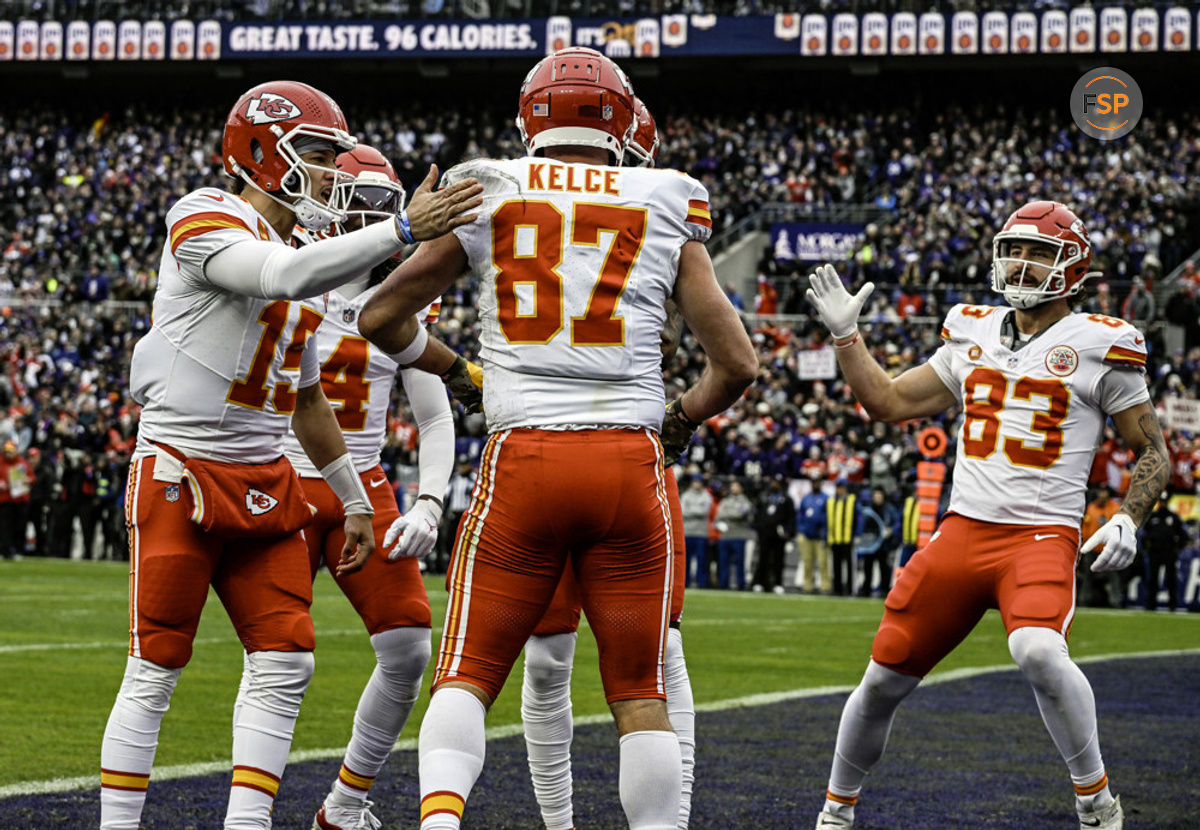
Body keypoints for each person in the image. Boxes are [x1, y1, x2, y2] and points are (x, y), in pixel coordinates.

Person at [357, 48, 757, 830]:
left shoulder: (493, 182)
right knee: (641, 692)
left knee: (467, 676)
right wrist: (679, 417)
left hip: (526, 454)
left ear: (529, 116)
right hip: (629, 462)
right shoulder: (669, 194)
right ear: (621, 118)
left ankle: (439, 821)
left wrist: (464, 372)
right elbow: (737, 364)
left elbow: (378, 317)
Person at [99, 81, 481, 830]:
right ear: (258, 153)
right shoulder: (206, 214)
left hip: (267, 476)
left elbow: (306, 399)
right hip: (181, 464)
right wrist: (404, 228)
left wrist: (357, 498)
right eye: (314, 153)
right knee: (157, 666)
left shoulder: (306, 252)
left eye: (334, 158)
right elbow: (276, 277)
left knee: (286, 660)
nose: (331, 174)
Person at [807, 200, 1169, 830]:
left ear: (1073, 267)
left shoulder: (1103, 343)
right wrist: (846, 338)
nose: (1021, 263)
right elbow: (888, 402)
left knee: (1036, 649)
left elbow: (1154, 452)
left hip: (1040, 535)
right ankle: (836, 813)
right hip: (962, 531)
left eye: (1038, 252)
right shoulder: (969, 329)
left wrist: (1128, 518)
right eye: (1014, 250)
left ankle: (1096, 801)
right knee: (881, 679)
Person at [518, 105, 700, 830]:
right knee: (548, 662)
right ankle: (558, 824)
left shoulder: (651, 220)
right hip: (557, 452)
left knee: (660, 659)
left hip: (614, 454)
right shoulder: (531, 212)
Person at [263, 145, 456, 830]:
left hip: (365, 481)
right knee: (279, 658)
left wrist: (431, 501)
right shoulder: (287, 269)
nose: (370, 218)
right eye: (359, 201)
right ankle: (248, 811)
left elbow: (435, 415)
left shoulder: (400, 295)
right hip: (278, 473)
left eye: (384, 206)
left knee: (407, 651)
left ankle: (345, 804)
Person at [1141, 493, 1188, 612]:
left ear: (1167, 503)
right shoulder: (1152, 517)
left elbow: (1183, 535)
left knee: (1171, 578)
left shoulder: (1173, 517)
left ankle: (1172, 605)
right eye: (1161, 502)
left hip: (1169, 551)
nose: (1162, 504)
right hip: (1155, 552)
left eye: (1164, 502)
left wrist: (1178, 548)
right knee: (1153, 578)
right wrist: (1146, 548)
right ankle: (1151, 604)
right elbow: (1144, 535)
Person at [1080, 485, 1123, 608]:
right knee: (1087, 576)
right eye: (1100, 491)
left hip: (1108, 550)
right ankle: (1083, 600)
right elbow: (1085, 528)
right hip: (1091, 549)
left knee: (1113, 576)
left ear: (1108, 494)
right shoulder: (1091, 508)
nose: (1102, 494)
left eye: (1104, 491)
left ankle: (1116, 601)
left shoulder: (1115, 508)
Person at [754, 474, 795, 594]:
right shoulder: (764, 497)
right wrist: (759, 528)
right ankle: (760, 582)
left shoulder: (786, 499)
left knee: (778, 560)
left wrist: (789, 532)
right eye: (773, 482)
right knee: (763, 559)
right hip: (765, 533)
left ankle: (778, 583)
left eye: (777, 483)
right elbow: (758, 514)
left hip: (779, 534)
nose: (774, 485)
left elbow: (791, 517)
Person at [856, 487, 898, 598]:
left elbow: (897, 522)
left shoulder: (889, 509)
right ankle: (866, 589)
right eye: (876, 496)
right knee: (867, 567)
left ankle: (884, 590)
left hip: (883, 544)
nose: (877, 498)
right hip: (870, 544)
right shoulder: (868, 510)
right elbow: (862, 524)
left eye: (879, 496)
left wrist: (891, 530)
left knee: (884, 568)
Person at [714, 479, 754, 590]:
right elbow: (719, 515)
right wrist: (731, 514)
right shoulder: (725, 501)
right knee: (723, 562)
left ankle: (741, 584)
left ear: (741, 488)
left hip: (739, 535)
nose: (733, 488)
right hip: (725, 536)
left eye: (735, 486)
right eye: (732, 486)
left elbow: (740, 514)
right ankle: (723, 584)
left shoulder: (745, 501)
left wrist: (728, 514)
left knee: (740, 563)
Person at [0, 440, 34, 559]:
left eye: (10, 452)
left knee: (19, 526)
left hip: (21, 500)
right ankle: (5, 551)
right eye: (6, 452)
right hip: (5, 500)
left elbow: (32, 478)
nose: (8, 454)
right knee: (5, 527)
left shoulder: (23, 463)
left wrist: (27, 480)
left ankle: (18, 549)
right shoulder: (1, 463)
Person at [680, 474, 714, 588]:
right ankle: (685, 583)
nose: (696, 484)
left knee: (702, 560)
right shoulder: (686, 495)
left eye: (698, 482)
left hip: (701, 533)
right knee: (686, 561)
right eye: (695, 482)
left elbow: (705, 511)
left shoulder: (706, 496)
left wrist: (691, 510)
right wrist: (697, 510)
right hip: (687, 532)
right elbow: (682, 511)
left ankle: (701, 583)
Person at [826, 479, 858, 596]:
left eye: (842, 488)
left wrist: (857, 534)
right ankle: (837, 589)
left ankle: (849, 589)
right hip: (834, 538)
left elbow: (858, 519)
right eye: (838, 488)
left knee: (849, 566)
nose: (840, 490)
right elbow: (828, 521)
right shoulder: (831, 501)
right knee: (836, 565)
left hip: (847, 538)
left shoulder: (852, 501)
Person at [796, 485, 830, 593]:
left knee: (822, 562)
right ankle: (807, 585)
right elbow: (800, 515)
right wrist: (801, 529)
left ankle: (825, 586)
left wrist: (825, 532)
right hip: (807, 535)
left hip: (820, 536)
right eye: (814, 482)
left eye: (817, 482)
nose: (815, 484)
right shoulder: (806, 498)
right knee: (807, 562)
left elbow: (829, 516)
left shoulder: (826, 498)